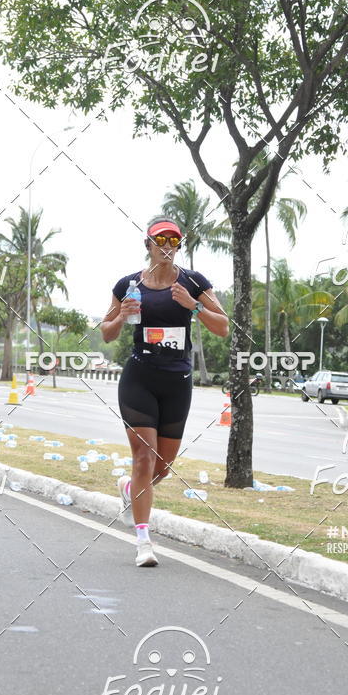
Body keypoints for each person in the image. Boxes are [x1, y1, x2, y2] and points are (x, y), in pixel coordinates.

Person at [101, 215, 229, 567]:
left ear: (179, 245)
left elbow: (223, 327)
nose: (167, 247)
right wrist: (121, 315)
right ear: (148, 245)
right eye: (160, 240)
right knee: (143, 457)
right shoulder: (128, 285)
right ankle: (143, 541)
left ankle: (129, 489)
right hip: (139, 379)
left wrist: (194, 305)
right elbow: (107, 332)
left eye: (173, 241)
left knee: (161, 469)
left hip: (177, 382)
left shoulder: (194, 282)